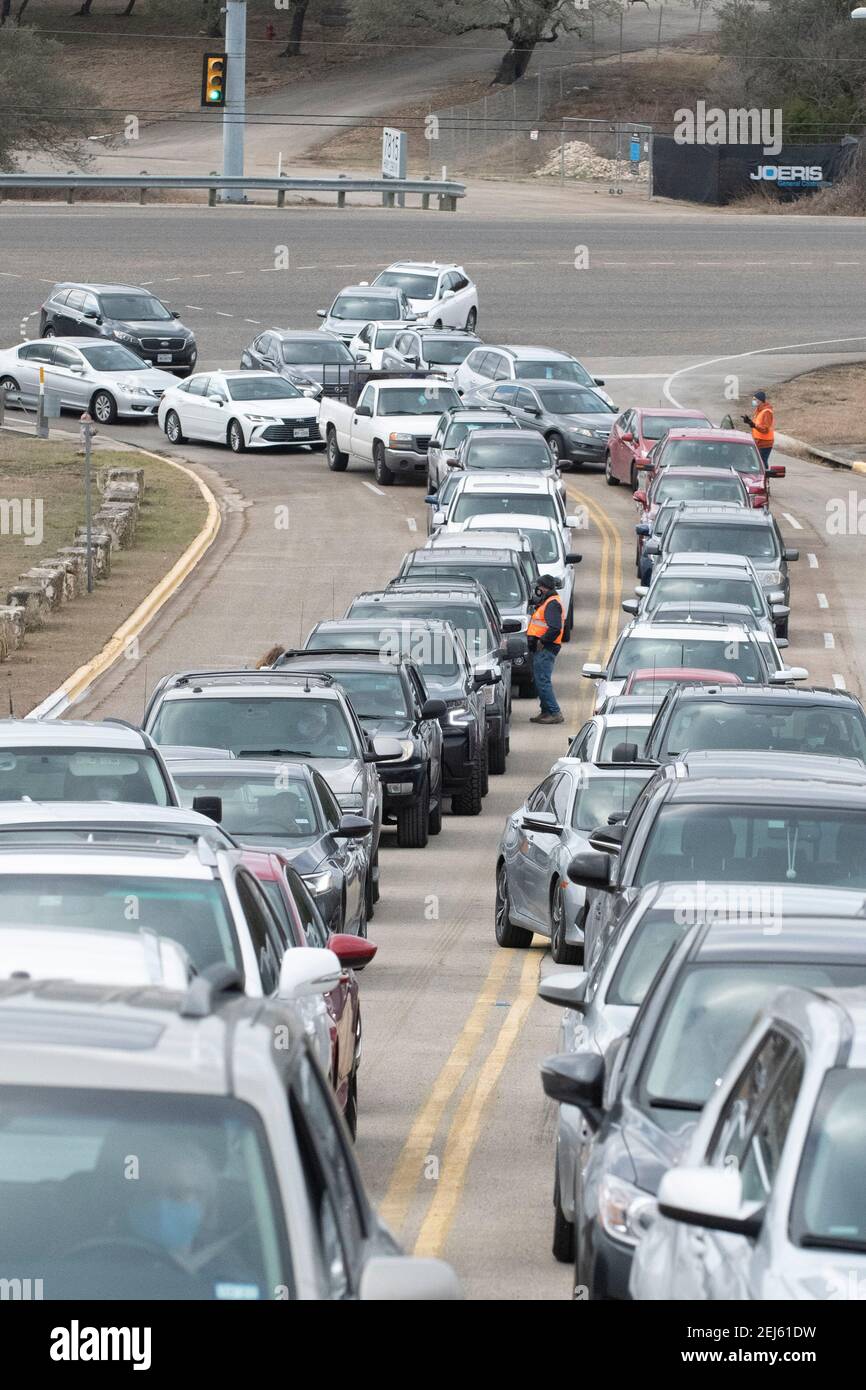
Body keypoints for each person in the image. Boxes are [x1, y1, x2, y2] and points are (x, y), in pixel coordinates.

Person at [526, 574, 564, 725]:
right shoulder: (548, 601)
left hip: (546, 648)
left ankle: (554, 712)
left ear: (544, 587)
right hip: (543, 647)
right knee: (539, 680)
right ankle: (546, 711)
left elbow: (555, 628)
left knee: (542, 680)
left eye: (539, 587)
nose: (538, 589)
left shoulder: (552, 604)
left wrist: (542, 641)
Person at [742, 390, 775, 468]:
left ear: (760, 401)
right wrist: (749, 422)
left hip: (765, 442)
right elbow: (757, 424)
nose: (753, 401)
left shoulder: (767, 412)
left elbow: (765, 429)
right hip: (758, 441)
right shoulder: (759, 410)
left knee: (762, 462)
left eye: (755, 399)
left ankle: (765, 477)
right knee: (755, 461)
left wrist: (753, 425)